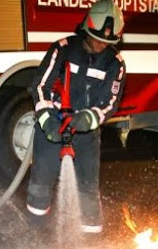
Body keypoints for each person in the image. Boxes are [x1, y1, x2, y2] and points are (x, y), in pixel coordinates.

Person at [26, 0, 126, 234]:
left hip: (86, 134)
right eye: (97, 38)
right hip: (53, 127)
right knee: (41, 183)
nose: (102, 44)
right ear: (86, 30)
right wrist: (47, 119)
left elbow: (110, 103)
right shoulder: (62, 49)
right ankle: (35, 236)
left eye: (108, 41)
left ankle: (90, 242)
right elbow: (40, 86)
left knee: (87, 189)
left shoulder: (116, 64)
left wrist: (88, 118)